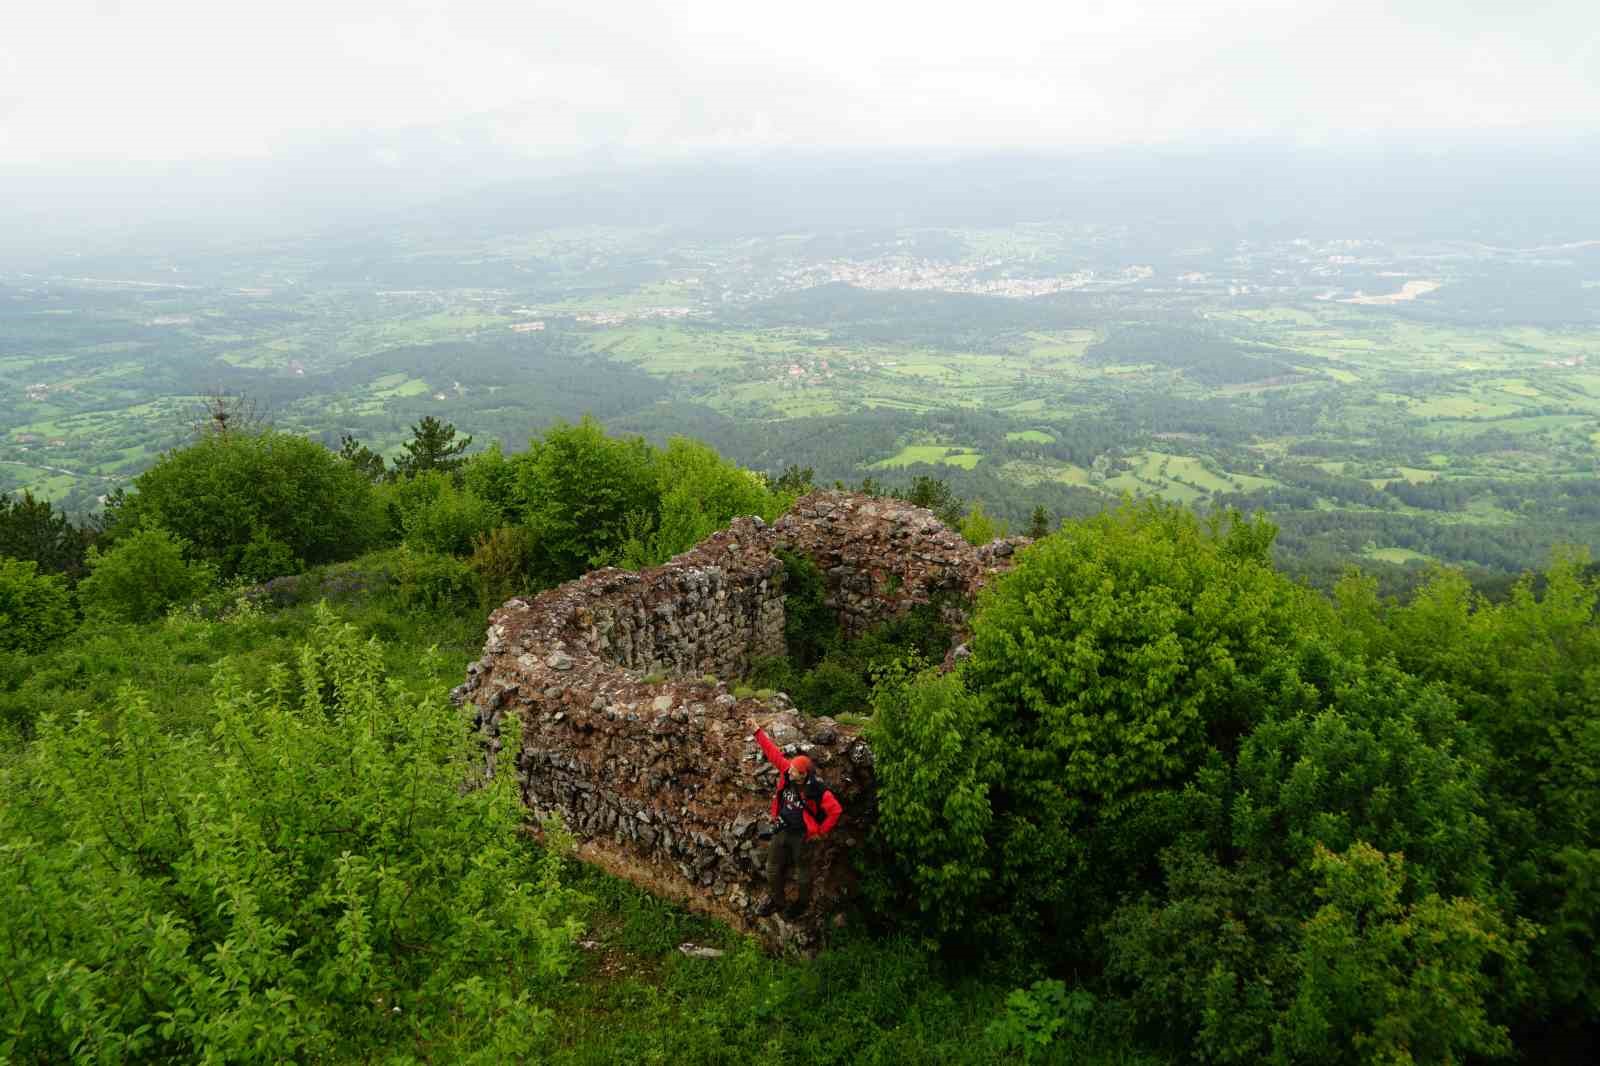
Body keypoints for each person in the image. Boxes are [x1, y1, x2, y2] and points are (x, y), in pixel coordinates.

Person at [748, 717, 843, 918]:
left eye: (794, 771)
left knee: (803, 874)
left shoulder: (818, 791)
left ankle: (801, 904)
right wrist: (757, 731)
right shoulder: (787, 771)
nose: (789, 772)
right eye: (790, 769)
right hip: (782, 828)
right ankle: (777, 900)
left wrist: (822, 831)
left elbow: (835, 811)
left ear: (804, 775)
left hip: (803, 835)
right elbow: (772, 753)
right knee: (772, 868)